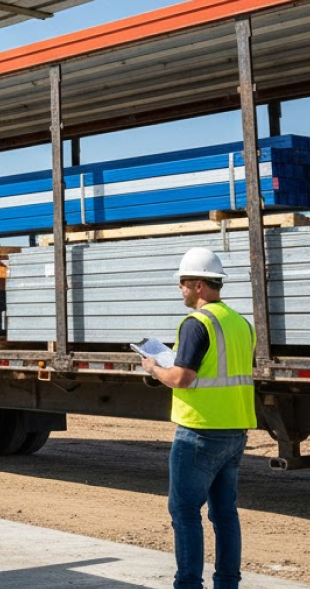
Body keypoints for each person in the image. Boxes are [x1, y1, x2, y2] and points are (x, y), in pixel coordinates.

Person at [139, 247, 257, 589]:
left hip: (199, 431)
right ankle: (227, 584)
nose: (181, 289)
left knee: (185, 514)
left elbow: (182, 378)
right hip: (234, 431)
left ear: (200, 286)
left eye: (183, 283)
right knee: (225, 515)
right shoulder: (241, 323)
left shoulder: (196, 323)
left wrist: (153, 367)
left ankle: (188, 584)